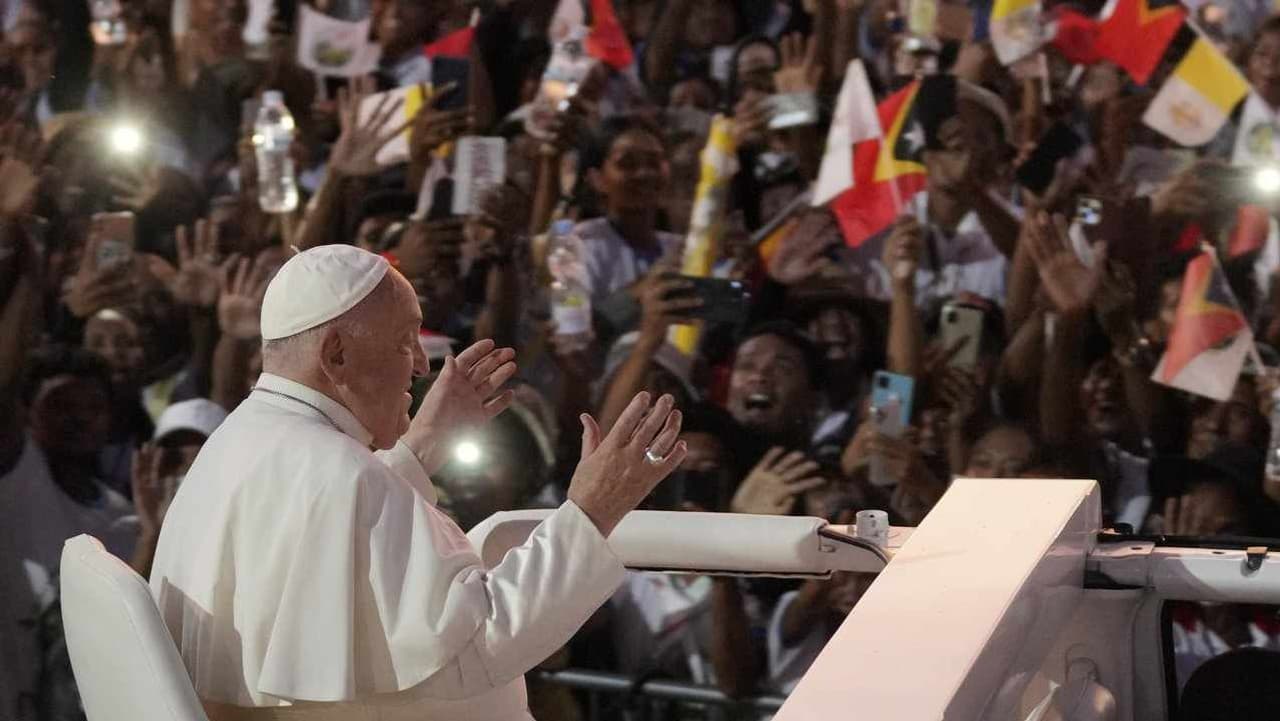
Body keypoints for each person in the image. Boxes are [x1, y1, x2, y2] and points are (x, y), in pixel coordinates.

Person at [149, 244, 689, 721]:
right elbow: (478, 644)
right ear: (336, 353)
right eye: (405, 343)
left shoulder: (242, 439)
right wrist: (592, 511)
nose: (418, 369)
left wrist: (424, 443)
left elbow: (333, 532)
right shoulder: (338, 469)